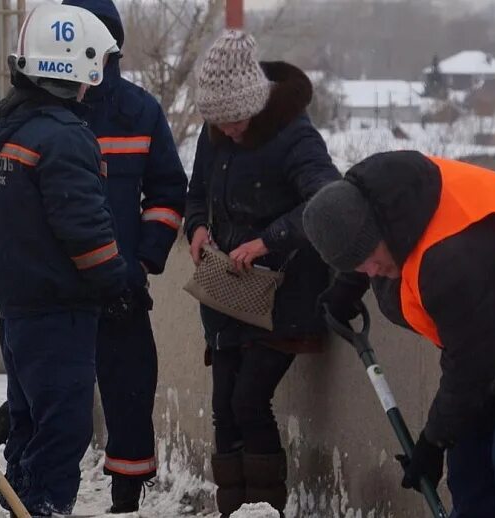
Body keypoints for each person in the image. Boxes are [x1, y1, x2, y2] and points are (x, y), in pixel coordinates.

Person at [301, 150, 495, 517]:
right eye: (359, 266)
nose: (370, 271)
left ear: (382, 229)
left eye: (369, 259)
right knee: (469, 463)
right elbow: (364, 241)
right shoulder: (377, 199)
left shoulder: (450, 258)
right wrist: (346, 287)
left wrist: (433, 442)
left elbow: (476, 364)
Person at [0, 4, 129, 515]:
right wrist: (116, 283)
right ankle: (39, 509)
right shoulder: (64, 137)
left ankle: (16, 502)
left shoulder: (2, 133)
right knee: (63, 429)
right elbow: (84, 229)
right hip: (58, 312)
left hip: (18, 310)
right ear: (78, 66)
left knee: (30, 424)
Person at [183, 30, 341, 516]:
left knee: (249, 402)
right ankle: (233, 510)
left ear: (253, 103)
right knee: (223, 409)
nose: (226, 130)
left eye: (233, 121)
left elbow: (329, 200)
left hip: (285, 296)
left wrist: (268, 239)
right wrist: (197, 226)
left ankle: (264, 510)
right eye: (217, 121)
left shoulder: (294, 135)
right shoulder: (216, 131)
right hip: (227, 293)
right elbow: (196, 193)